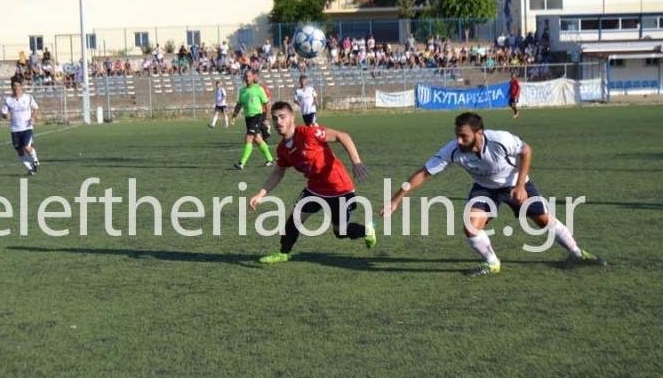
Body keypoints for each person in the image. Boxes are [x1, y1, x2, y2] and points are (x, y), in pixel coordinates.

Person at [380, 112, 606, 276]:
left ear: (479, 133)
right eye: (457, 135)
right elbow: (423, 173)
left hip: (514, 183)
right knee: (470, 226)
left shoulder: (500, 140)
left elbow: (526, 151)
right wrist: (396, 200)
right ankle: (492, 262)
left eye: (464, 136)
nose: (459, 141)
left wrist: (520, 185)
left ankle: (577, 252)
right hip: (485, 188)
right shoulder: (453, 150)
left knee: (542, 220)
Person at [249, 102, 375, 264]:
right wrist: (260, 194)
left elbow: (342, 136)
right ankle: (283, 253)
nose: (278, 122)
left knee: (341, 232)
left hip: (339, 189)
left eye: (282, 117)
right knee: (294, 219)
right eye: (275, 118)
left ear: (292, 118)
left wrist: (356, 162)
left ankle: (367, 230)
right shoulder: (282, 149)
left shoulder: (309, 133)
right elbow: (278, 172)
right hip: (314, 189)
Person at [231, 70, 274, 169]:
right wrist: (234, 116)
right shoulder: (242, 90)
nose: (247, 78)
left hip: (257, 116)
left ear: (253, 77)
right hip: (248, 118)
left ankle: (242, 163)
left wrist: (267, 118)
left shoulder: (258, 89)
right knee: (258, 139)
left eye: (249, 76)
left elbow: (266, 103)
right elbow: (239, 104)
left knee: (249, 137)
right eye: (246, 76)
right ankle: (270, 159)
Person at [1, 77, 40, 175]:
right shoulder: (8, 100)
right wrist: (6, 116)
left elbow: (36, 108)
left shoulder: (28, 98)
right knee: (19, 151)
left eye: (18, 86)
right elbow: (4, 112)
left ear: (21, 86)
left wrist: (33, 118)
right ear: (11, 87)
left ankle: (35, 161)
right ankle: (30, 168)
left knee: (26, 147)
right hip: (15, 129)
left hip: (27, 127)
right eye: (14, 86)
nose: (16, 88)